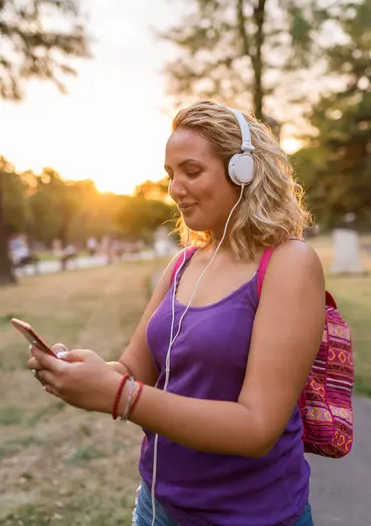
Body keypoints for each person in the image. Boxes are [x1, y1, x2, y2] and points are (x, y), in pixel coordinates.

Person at [28, 100, 325, 526]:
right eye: (170, 175)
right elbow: (135, 368)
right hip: (158, 506)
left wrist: (120, 397)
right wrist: (82, 371)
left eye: (191, 171)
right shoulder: (183, 263)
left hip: (253, 516)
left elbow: (257, 428)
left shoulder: (289, 263)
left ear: (242, 170)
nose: (174, 188)